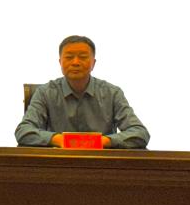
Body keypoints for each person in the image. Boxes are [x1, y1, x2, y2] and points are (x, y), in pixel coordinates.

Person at [15, 35, 149, 149]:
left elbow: (140, 132)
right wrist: (59, 140)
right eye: (69, 57)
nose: (75, 62)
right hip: (58, 163)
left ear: (93, 63)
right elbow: (23, 130)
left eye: (83, 57)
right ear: (60, 62)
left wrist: (103, 142)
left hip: (102, 163)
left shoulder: (112, 93)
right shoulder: (45, 93)